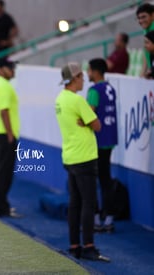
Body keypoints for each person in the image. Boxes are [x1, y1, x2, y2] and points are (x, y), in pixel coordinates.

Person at [55, 62, 110, 262]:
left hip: (70, 157)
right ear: (75, 78)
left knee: (75, 204)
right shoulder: (77, 101)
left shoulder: (60, 99)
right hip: (85, 157)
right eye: (81, 76)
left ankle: (74, 245)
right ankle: (88, 246)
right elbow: (97, 125)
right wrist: (88, 120)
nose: (84, 79)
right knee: (88, 204)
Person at [86, 58, 118, 233]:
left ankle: (98, 218)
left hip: (98, 140)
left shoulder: (94, 90)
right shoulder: (110, 88)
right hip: (110, 138)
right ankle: (109, 218)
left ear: (96, 71)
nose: (88, 74)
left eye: (89, 71)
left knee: (95, 179)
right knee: (106, 178)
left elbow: (90, 115)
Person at [0, 57, 20, 218]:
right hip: (4, 135)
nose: (13, 70)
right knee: (4, 172)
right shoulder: (5, 86)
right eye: (10, 67)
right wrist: (10, 134)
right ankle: (1, 207)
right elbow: (4, 111)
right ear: (0, 69)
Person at [136, 3, 154, 76]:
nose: (141, 21)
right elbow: (146, 52)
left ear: (153, 15)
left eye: (144, 17)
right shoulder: (146, 29)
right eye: (139, 18)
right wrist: (143, 72)